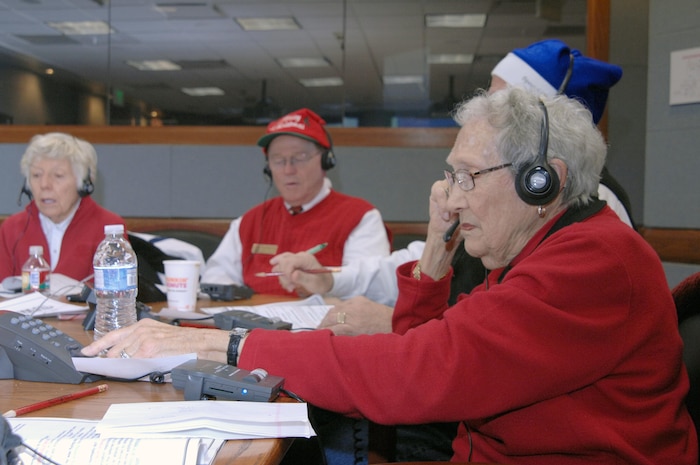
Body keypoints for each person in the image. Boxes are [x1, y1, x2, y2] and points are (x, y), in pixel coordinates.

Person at [83, 87, 697, 464]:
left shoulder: (591, 265)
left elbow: (416, 376)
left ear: (544, 180)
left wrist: (223, 342)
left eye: (466, 177)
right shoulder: (538, 251)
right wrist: (435, 247)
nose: (450, 198)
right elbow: (420, 340)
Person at [199, 107, 390, 295]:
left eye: (300, 157)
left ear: (326, 161)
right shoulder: (249, 222)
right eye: (278, 160)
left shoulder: (360, 217)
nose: (288, 170)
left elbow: (371, 288)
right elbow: (215, 277)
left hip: (325, 324)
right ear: (268, 169)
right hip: (255, 324)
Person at [0, 132, 125, 283]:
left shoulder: (108, 228)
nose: (45, 185)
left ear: (83, 184)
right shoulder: (12, 228)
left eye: (58, 175)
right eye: (36, 175)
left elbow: (113, 294)